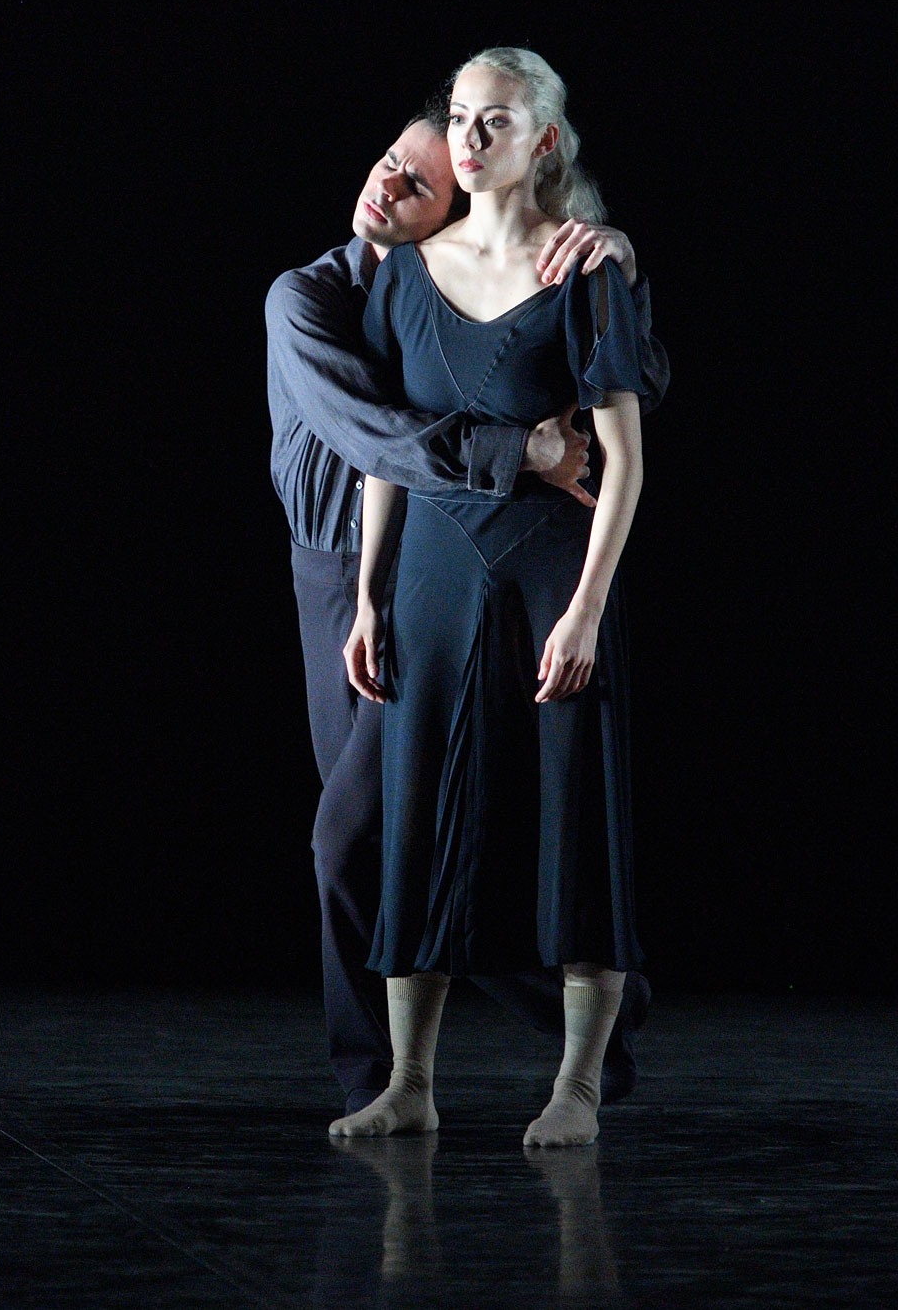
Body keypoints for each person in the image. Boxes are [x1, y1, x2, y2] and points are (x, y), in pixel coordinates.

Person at [265, 101, 666, 1122]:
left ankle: (399, 1073)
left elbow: (633, 379)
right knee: (365, 837)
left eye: (418, 182)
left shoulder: (458, 276)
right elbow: (375, 431)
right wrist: (516, 452)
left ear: (460, 203)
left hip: (444, 558)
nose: (389, 185)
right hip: (341, 570)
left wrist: (613, 258)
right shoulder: (305, 295)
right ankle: (429, 1070)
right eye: (392, 160)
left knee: (364, 838)